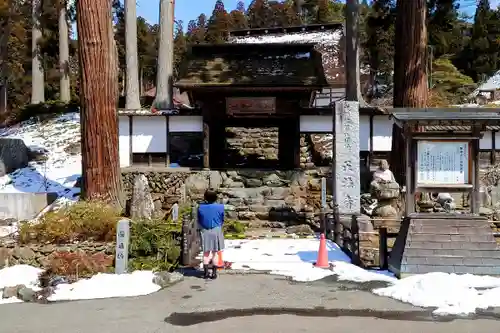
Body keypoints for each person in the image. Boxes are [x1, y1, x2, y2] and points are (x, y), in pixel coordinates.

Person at [197, 190, 225, 279]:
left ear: (205, 197)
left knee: (206, 253)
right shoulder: (221, 207)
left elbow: (199, 219)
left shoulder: (200, 207)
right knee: (215, 252)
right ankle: (214, 273)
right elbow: (222, 218)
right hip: (216, 230)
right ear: (216, 197)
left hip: (205, 230)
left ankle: (205, 273)